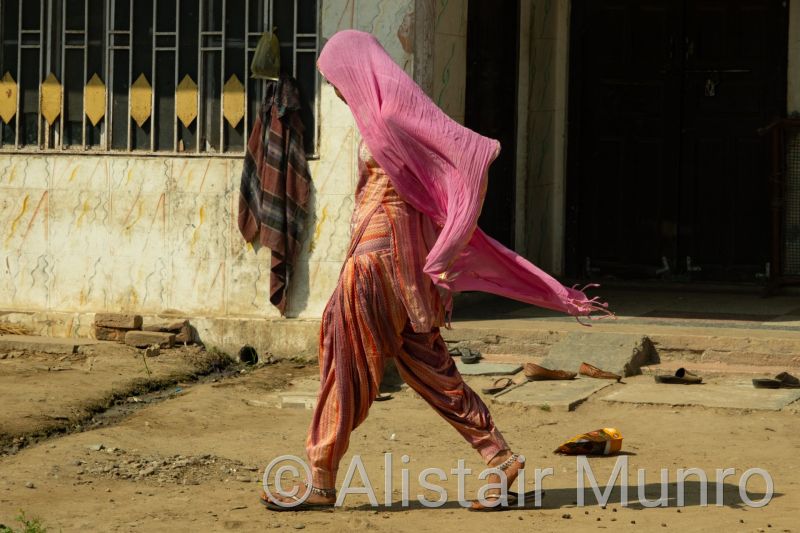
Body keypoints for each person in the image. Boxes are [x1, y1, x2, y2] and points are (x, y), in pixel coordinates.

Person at [260, 29, 609, 512]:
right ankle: (499, 457)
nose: (336, 90)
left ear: (355, 69)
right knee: (430, 368)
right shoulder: (378, 110)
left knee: (345, 360)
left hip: (377, 263)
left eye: (335, 79)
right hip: (397, 265)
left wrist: (446, 248)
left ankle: (321, 476)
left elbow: (469, 153)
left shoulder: (387, 113)